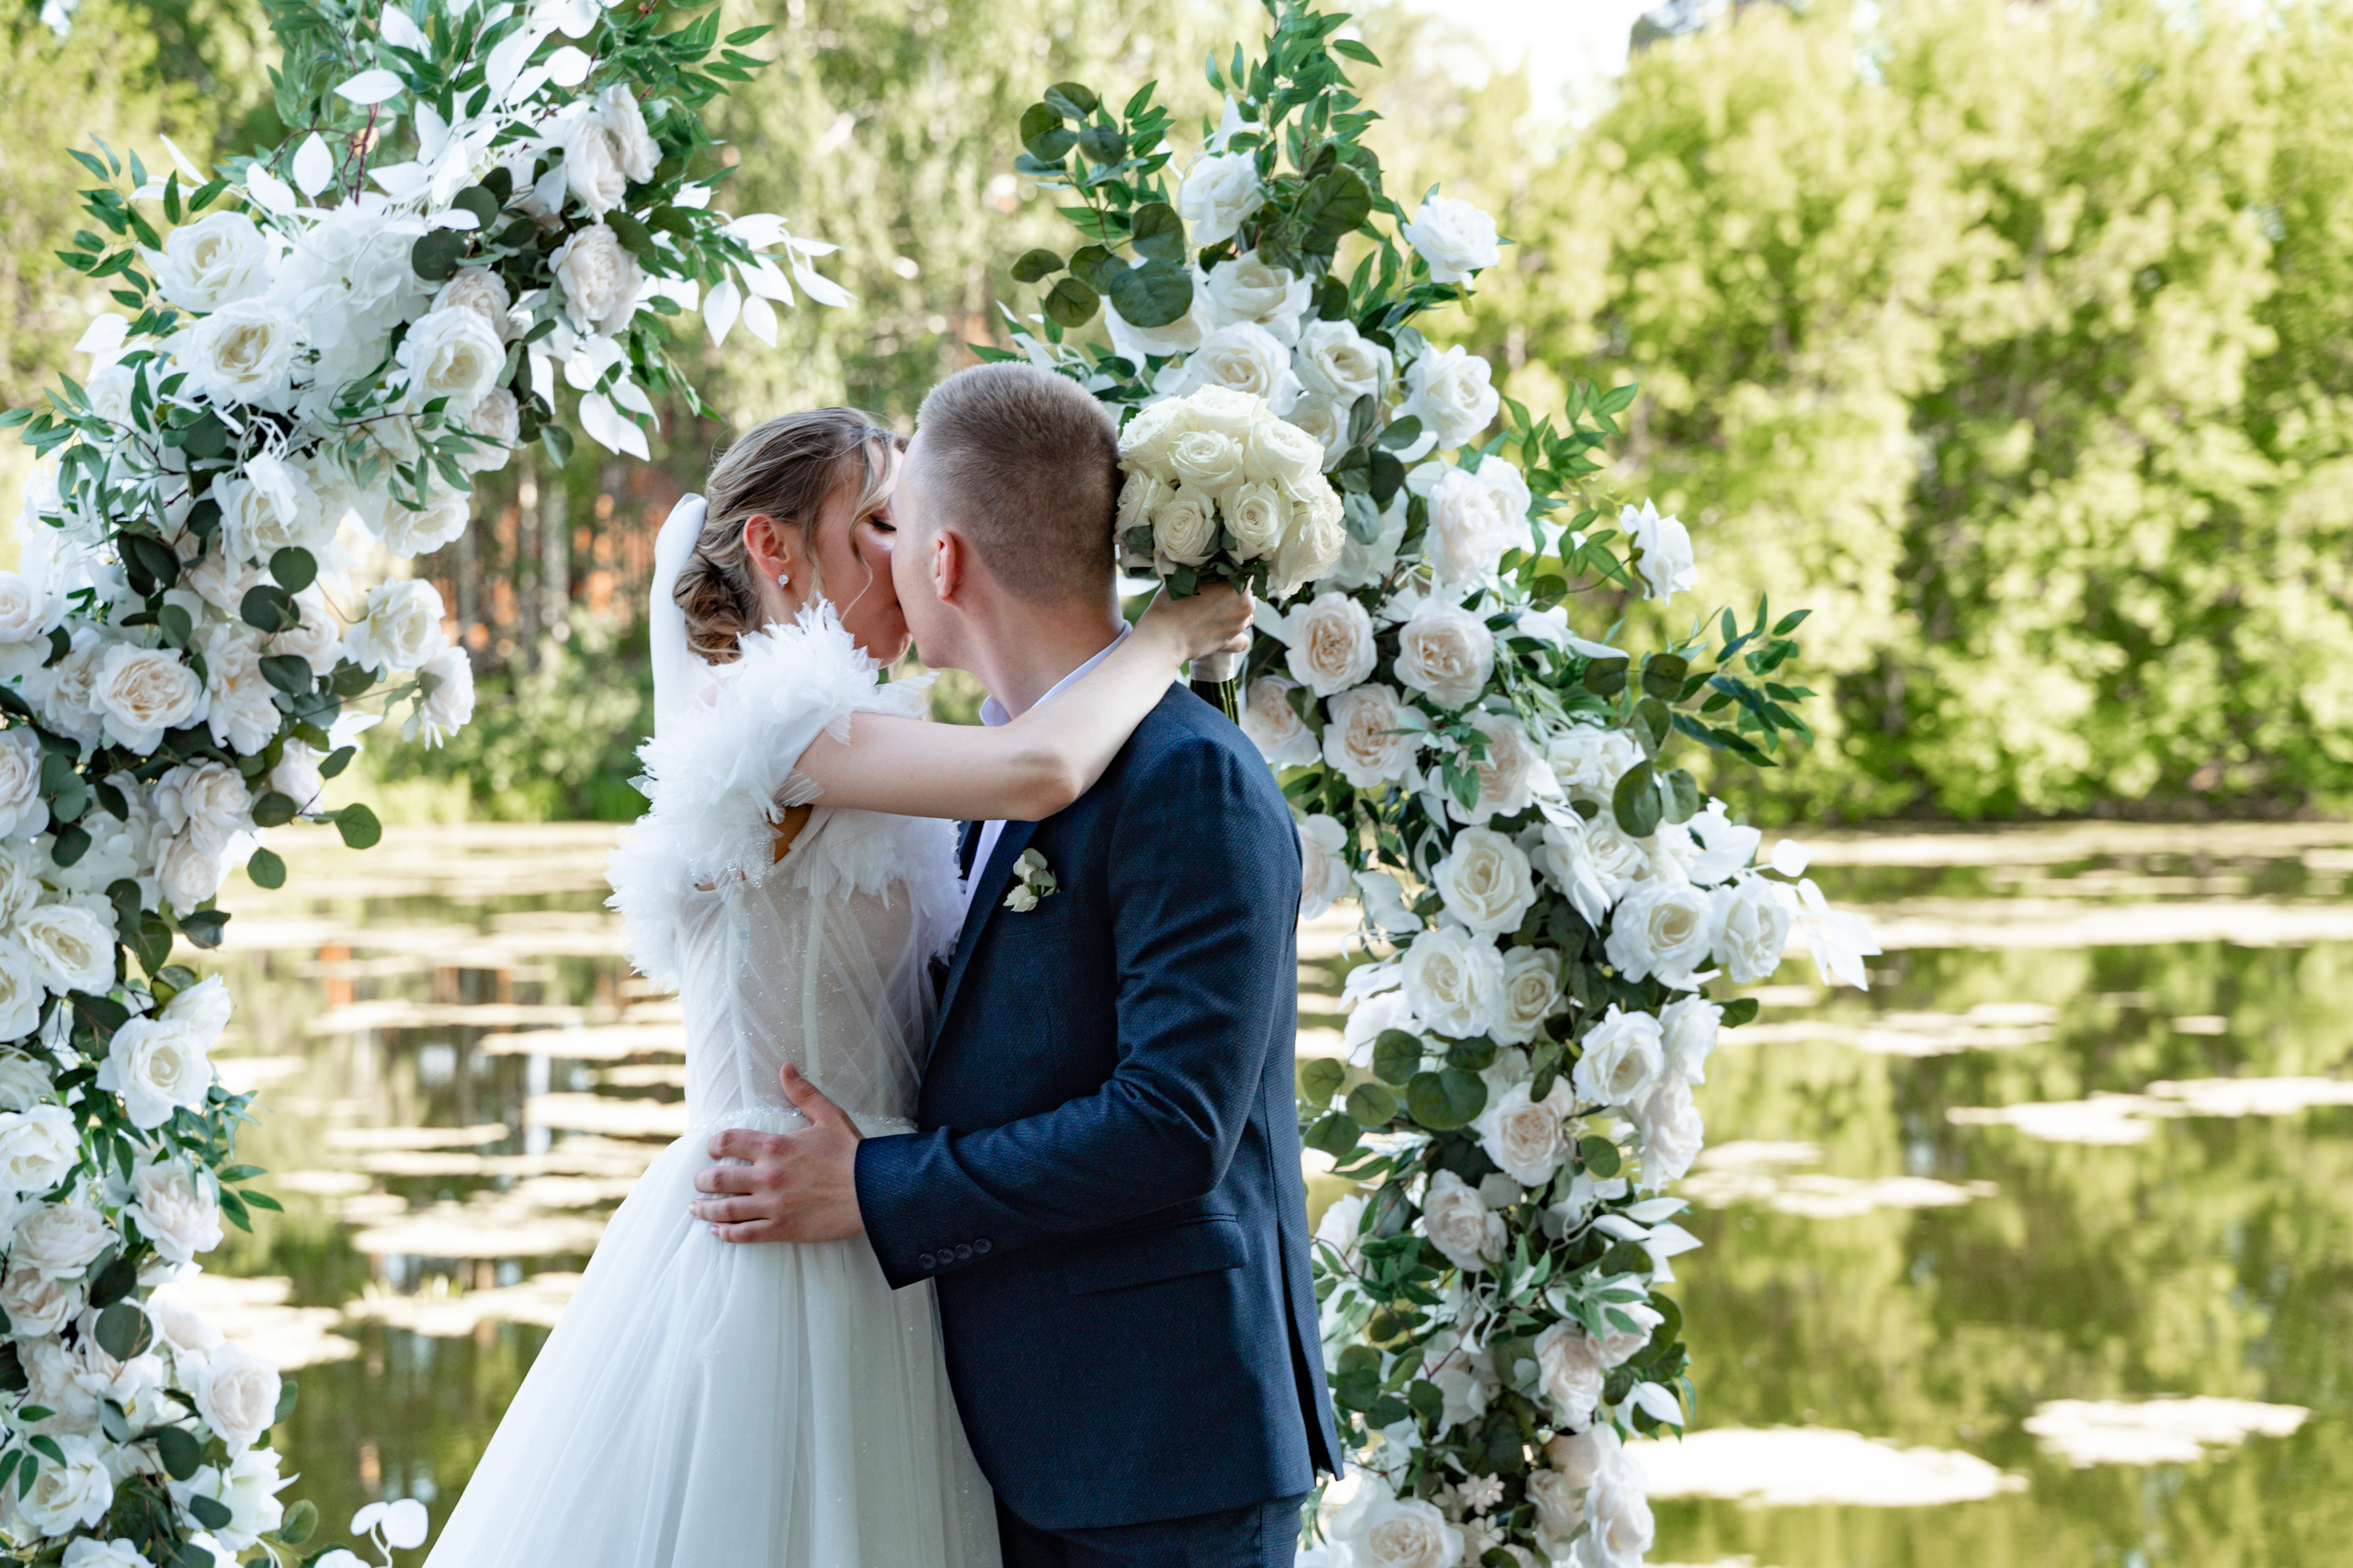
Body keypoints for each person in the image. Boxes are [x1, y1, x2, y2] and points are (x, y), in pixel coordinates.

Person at [420, 404, 1253, 1567]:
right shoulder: (773, 716)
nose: (909, 550)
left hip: (883, 1221)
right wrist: (1165, 638)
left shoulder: (871, 737)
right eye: (873, 525)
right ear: (774, 550)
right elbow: (1040, 766)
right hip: (789, 1231)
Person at [685, 364, 1344, 1568]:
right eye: (862, 526)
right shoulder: (970, 759)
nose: (884, 559)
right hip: (984, 1423)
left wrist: (878, 1188)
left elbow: (1169, 1124)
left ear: (943, 564)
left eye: (899, 524)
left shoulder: (1186, 775)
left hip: (1159, 1457)